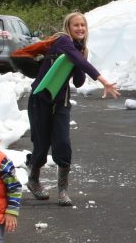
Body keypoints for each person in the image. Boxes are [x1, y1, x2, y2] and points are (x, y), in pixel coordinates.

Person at [25, 11, 120, 206]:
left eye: (83, 25)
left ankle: (62, 190)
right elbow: (79, 62)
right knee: (41, 144)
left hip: (61, 102)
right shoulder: (62, 41)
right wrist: (102, 80)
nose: (80, 28)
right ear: (68, 27)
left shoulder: (78, 51)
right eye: (76, 25)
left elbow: (77, 81)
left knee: (62, 143)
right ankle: (33, 179)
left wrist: (80, 60)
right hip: (40, 99)